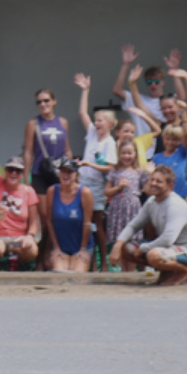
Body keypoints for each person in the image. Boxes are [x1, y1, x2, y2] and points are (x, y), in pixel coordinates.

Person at [110, 165, 187, 286]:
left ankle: (184, 270)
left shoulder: (176, 205)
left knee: (153, 255)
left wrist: (143, 249)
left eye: (159, 182)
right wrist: (117, 245)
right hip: (166, 248)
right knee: (126, 248)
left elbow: (167, 239)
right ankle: (167, 270)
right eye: (152, 180)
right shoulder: (151, 201)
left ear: (170, 185)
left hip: (186, 250)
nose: (153, 184)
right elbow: (133, 225)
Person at [71, 73, 117, 249]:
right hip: (83, 181)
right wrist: (85, 90)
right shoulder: (92, 133)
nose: (96, 123)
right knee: (83, 219)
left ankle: (103, 260)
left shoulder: (110, 143)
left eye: (100, 120)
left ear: (110, 124)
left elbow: (110, 168)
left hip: (97, 185)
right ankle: (85, 254)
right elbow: (82, 113)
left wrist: (88, 164)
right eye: (96, 120)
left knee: (97, 221)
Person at [0, 155, 42, 267]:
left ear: (22, 174)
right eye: (10, 170)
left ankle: (17, 267)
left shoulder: (28, 191)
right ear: (5, 171)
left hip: (17, 238)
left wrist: (30, 236)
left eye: (18, 171)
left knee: (32, 250)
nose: (14, 173)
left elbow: (34, 221)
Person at [102, 140, 147, 271]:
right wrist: (118, 187)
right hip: (118, 209)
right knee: (119, 241)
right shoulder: (114, 172)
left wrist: (150, 173)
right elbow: (107, 191)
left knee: (132, 242)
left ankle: (131, 271)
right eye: (124, 153)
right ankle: (122, 271)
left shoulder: (139, 172)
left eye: (129, 153)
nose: (126, 156)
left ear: (135, 154)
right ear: (119, 154)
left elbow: (148, 189)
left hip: (133, 209)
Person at [42, 158, 94, 272]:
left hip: (80, 246)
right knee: (59, 275)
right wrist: (55, 247)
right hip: (61, 247)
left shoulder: (85, 192)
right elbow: (49, 221)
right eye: (63, 171)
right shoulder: (52, 191)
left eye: (69, 172)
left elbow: (87, 222)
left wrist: (83, 249)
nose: (65, 175)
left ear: (76, 175)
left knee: (78, 277)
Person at [23, 87, 71, 193]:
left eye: (46, 101)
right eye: (39, 102)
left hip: (60, 173)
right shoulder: (33, 124)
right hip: (40, 172)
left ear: (54, 101)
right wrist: (26, 179)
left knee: (60, 202)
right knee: (43, 204)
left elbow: (67, 149)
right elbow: (28, 152)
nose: (43, 104)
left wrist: (71, 170)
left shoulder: (63, 122)